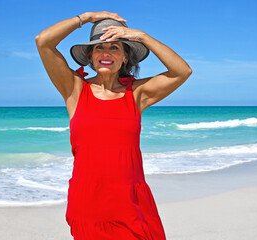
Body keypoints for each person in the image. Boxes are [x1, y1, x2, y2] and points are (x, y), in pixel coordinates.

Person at [35, 11, 192, 239]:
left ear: (125, 57)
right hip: (88, 202)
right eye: (99, 47)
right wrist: (87, 17)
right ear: (91, 56)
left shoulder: (137, 93)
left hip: (131, 201)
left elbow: (182, 71)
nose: (106, 52)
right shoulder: (75, 90)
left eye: (115, 47)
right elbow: (44, 41)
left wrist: (143, 37)